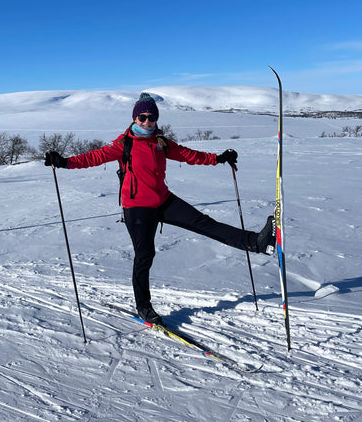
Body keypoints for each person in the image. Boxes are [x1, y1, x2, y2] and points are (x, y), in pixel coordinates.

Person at [45, 92, 274, 325]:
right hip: (136, 208)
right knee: (145, 256)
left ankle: (255, 243)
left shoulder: (161, 142)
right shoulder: (123, 144)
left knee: (204, 222)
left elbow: (188, 154)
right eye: (142, 117)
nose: (147, 122)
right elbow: (93, 157)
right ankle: (144, 307)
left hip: (162, 199)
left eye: (151, 117)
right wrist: (63, 162)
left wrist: (217, 158)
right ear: (135, 118)